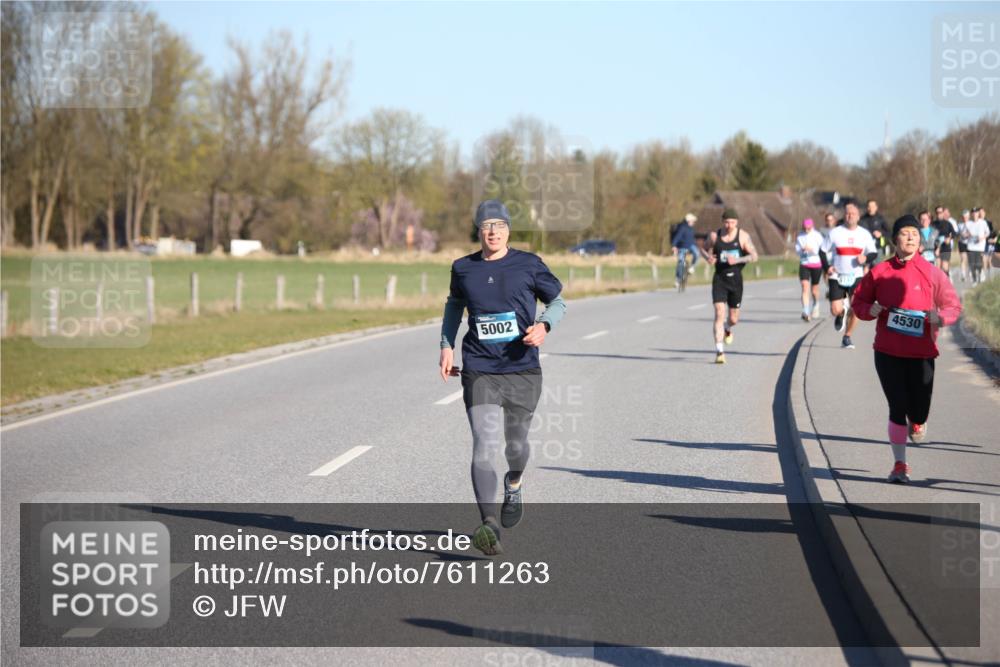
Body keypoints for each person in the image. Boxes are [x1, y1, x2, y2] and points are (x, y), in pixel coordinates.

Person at [439, 199, 566, 555]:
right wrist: (447, 344)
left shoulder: (529, 264)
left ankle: (514, 480)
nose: (492, 231)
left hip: (522, 368)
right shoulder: (463, 268)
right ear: (478, 231)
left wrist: (544, 325)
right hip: (479, 367)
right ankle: (489, 524)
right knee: (483, 442)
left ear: (508, 229)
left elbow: (559, 302)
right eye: (486, 226)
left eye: (499, 225)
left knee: (515, 444)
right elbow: (454, 305)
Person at [852, 215, 961, 483]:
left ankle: (918, 420)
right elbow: (859, 301)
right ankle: (900, 464)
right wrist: (870, 309)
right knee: (896, 405)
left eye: (914, 233)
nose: (911, 237)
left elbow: (953, 306)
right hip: (888, 351)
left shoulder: (933, 273)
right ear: (895, 240)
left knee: (919, 410)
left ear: (920, 240)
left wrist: (941, 317)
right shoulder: (880, 272)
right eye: (905, 233)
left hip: (922, 353)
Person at [820, 202, 877, 349]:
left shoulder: (864, 234)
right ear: (844, 216)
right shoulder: (835, 232)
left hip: (856, 275)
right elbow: (822, 251)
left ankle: (847, 337)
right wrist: (827, 268)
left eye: (853, 213)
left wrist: (865, 258)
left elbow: (873, 252)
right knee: (835, 309)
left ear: (858, 216)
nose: (850, 216)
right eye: (847, 213)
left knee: (857, 308)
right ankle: (841, 314)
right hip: (837, 276)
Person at [705, 207, 758, 363]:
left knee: (733, 319)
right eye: (727, 222)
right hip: (719, 279)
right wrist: (709, 257)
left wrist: (738, 260)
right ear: (722, 222)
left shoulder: (743, 236)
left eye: (732, 222)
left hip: (735, 280)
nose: (729, 225)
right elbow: (705, 248)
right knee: (719, 312)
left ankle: (728, 328)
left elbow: (754, 256)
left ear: (737, 222)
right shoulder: (715, 236)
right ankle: (719, 352)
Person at [795, 218, 824, 321]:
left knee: (814, 289)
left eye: (808, 228)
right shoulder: (800, 236)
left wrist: (812, 249)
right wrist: (802, 250)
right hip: (804, 264)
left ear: (812, 227)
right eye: (805, 228)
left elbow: (822, 249)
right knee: (804, 287)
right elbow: (797, 250)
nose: (806, 230)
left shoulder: (817, 235)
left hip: (816, 264)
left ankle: (816, 304)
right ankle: (806, 311)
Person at [963, 207, 990, 284]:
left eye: (976, 213)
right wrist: (967, 234)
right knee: (971, 264)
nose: (975, 214)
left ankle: (981, 273)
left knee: (978, 263)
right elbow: (963, 234)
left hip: (980, 246)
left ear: (978, 214)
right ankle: (974, 280)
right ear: (971, 214)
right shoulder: (968, 223)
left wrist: (982, 238)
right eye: (973, 213)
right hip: (970, 246)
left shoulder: (983, 222)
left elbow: (987, 233)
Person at [672, 213, 700, 286]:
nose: (694, 222)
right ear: (689, 221)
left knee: (697, 254)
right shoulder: (682, 228)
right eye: (693, 221)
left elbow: (692, 239)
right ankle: (678, 279)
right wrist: (674, 246)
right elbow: (677, 237)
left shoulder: (691, 229)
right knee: (681, 262)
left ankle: (692, 267)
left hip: (691, 246)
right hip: (682, 247)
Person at [934, 205, 957, 275]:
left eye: (940, 212)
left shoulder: (948, 223)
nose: (939, 214)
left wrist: (949, 238)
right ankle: (939, 284)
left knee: (944, 267)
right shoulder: (933, 224)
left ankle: (947, 281)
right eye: (937, 212)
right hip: (936, 247)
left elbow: (954, 234)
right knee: (937, 267)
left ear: (943, 213)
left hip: (946, 247)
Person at [957, 209, 972, 282]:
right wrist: (961, 234)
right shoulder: (959, 224)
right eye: (963, 217)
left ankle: (970, 272)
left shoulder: (972, 223)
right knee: (963, 259)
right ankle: (963, 274)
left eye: (966, 217)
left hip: (970, 243)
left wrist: (969, 234)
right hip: (962, 243)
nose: (964, 218)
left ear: (969, 217)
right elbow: (957, 233)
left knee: (970, 259)